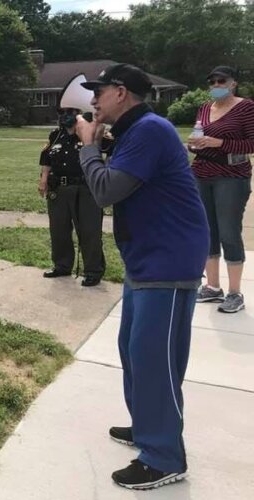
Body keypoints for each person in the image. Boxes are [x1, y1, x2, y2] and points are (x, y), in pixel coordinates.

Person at [76, 63, 209, 490]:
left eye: (98, 91)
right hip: (146, 259)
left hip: (167, 260)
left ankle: (164, 456)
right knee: (134, 351)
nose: (93, 99)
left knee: (155, 359)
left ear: (120, 92)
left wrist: (87, 147)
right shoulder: (137, 132)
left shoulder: (150, 129)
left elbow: (106, 191)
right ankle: (148, 426)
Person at [189, 66, 254, 314]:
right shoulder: (206, 108)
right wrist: (195, 144)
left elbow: (251, 142)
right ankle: (212, 286)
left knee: (229, 231)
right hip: (202, 173)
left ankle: (235, 292)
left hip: (231, 177)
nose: (216, 85)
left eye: (221, 81)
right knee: (207, 231)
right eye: (212, 81)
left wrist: (221, 143)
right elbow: (198, 136)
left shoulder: (245, 107)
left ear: (233, 83)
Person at [38, 107, 105, 286]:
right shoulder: (56, 135)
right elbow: (46, 158)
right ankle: (62, 265)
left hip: (85, 188)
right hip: (59, 188)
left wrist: (94, 132)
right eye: (61, 113)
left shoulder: (89, 134)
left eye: (69, 112)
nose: (64, 116)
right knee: (59, 230)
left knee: (89, 231)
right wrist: (43, 179)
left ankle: (92, 270)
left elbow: (105, 146)